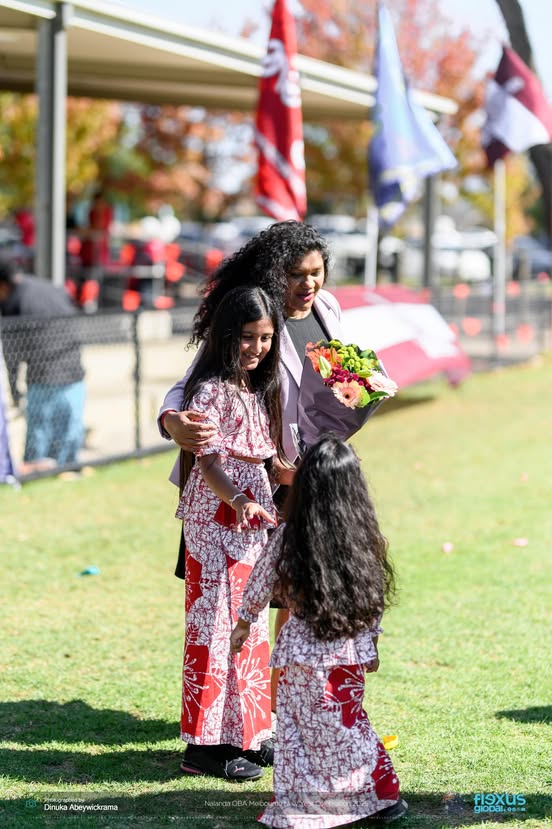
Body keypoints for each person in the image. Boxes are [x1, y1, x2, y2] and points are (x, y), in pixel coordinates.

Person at [158, 220, 347, 709]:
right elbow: (190, 383)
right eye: (295, 274)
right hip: (253, 482)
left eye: (316, 272)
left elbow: (337, 381)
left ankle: (273, 707)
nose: (308, 284)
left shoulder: (328, 310)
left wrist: (359, 393)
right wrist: (171, 420)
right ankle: (247, 715)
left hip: (310, 474)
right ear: (272, 273)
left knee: (300, 590)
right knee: (250, 600)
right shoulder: (251, 321)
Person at [230, 436, 408, 828]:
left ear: (305, 485)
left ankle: (312, 805)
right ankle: (377, 796)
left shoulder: (291, 536)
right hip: (347, 655)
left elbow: (260, 580)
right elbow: (374, 596)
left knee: (299, 731)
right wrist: (372, 642)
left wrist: (244, 620)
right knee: (347, 723)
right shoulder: (363, 541)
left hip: (301, 658)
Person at [176, 284, 291, 782]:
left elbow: (266, 460)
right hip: (216, 520)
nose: (256, 348)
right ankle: (204, 746)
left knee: (249, 624)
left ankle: (248, 734)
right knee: (213, 628)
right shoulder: (209, 391)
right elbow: (208, 463)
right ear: (226, 335)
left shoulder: (258, 390)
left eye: (265, 338)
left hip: (251, 522)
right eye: (247, 337)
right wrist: (238, 498)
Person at [0, 257, 85, 472]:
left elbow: (12, 352)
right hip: (73, 368)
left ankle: (36, 472)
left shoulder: (13, 301)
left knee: (39, 433)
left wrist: (14, 390)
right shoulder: (47, 288)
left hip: (44, 375)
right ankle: (68, 468)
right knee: (70, 428)